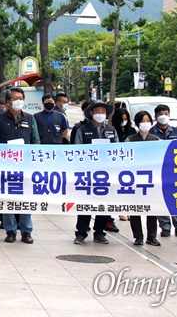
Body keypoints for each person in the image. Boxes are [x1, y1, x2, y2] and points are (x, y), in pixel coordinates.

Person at [0, 87, 40, 244]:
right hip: (6, 165)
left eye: (21, 98)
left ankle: (26, 231)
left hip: (25, 166)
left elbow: (36, 140)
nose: (18, 101)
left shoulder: (30, 119)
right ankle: (10, 230)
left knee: (25, 199)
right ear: (8, 102)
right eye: (15, 98)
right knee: (7, 198)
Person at [73, 100, 118, 245]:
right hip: (88, 173)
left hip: (105, 173)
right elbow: (77, 150)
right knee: (85, 204)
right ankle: (81, 232)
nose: (100, 114)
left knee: (103, 203)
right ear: (91, 113)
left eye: (103, 112)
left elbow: (116, 150)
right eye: (97, 112)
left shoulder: (111, 130)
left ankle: (99, 232)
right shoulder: (82, 129)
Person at [149, 104, 177, 239]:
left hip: (175, 170)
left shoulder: (176, 132)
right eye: (161, 114)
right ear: (155, 117)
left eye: (166, 114)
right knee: (161, 198)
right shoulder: (151, 132)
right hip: (158, 171)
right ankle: (165, 227)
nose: (163, 116)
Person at [125, 111, 161, 246]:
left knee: (152, 208)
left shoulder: (156, 140)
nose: (145, 124)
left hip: (151, 179)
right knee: (135, 208)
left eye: (148, 121)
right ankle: (138, 236)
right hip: (135, 179)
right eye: (142, 121)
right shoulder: (130, 139)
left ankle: (152, 236)